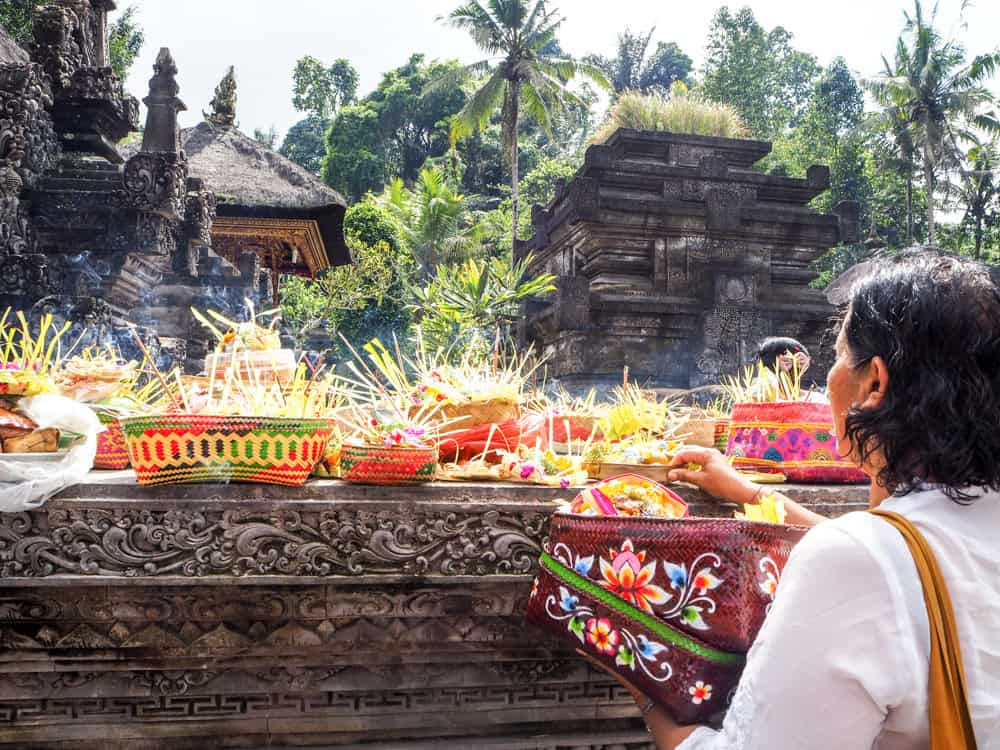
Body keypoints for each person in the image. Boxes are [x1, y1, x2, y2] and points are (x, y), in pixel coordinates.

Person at [610, 253, 1000, 748]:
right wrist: (748, 492)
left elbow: (873, 564)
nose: (825, 377)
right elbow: (905, 557)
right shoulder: (940, 535)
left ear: (874, 383)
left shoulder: (856, 561)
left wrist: (641, 680)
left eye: (837, 356)